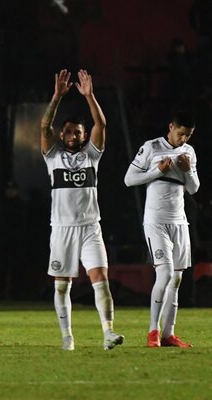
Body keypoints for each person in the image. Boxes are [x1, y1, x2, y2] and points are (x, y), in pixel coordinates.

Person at [40, 69, 123, 351]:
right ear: (62, 134)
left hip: (90, 227)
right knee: (62, 286)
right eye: (68, 131)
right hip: (62, 228)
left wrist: (89, 96)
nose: (72, 135)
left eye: (77, 132)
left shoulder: (91, 155)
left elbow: (102, 123)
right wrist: (56, 97)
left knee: (101, 278)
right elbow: (43, 127)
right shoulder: (53, 156)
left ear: (84, 135)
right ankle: (67, 338)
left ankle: (108, 333)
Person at [124, 111, 199, 348]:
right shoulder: (151, 147)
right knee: (164, 274)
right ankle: (152, 332)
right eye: (180, 134)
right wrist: (158, 171)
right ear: (170, 127)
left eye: (187, 135)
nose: (183, 139)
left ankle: (169, 334)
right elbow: (129, 179)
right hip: (156, 220)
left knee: (176, 279)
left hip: (179, 221)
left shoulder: (189, 152)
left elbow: (194, 189)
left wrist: (187, 171)